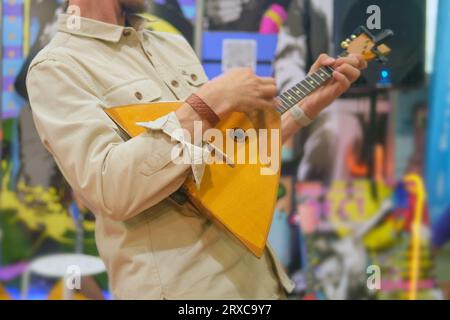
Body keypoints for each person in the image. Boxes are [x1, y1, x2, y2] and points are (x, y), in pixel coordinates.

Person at [26, 0, 366, 299]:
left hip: (262, 281)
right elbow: (109, 188)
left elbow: (226, 154)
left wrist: (304, 107)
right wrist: (209, 103)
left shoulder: (171, 45)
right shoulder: (57, 68)